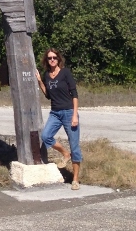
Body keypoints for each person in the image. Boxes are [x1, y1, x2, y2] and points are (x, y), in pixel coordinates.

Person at [35, 48, 82, 189]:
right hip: (55, 113)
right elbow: (48, 95)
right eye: (49, 58)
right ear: (47, 60)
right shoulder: (47, 75)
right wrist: (40, 81)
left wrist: (75, 115)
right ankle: (65, 153)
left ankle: (75, 179)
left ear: (58, 59)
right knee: (45, 136)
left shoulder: (65, 73)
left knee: (75, 146)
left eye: (54, 57)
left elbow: (74, 94)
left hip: (69, 112)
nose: (52, 60)